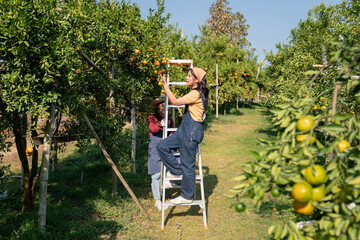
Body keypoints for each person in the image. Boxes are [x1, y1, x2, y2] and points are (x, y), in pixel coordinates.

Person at [157, 67, 209, 204]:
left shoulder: (195, 94)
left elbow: (174, 102)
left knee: (188, 164)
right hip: (184, 131)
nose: (186, 78)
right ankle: (176, 171)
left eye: (189, 76)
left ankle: (187, 195)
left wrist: (165, 86)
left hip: (191, 131)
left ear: (197, 80)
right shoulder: (193, 92)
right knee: (162, 146)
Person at [147, 96, 175, 210]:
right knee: (156, 173)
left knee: (169, 167)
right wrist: (160, 124)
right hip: (155, 146)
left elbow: (172, 132)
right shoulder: (152, 118)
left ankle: (167, 184)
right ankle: (157, 200)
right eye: (162, 106)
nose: (164, 108)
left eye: (165, 106)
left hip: (166, 145)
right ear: (158, 108)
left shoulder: (170, 119)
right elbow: (152, 128)